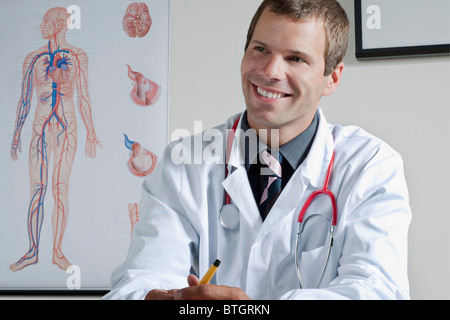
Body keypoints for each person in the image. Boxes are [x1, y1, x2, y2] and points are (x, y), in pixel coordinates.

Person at [104, 0, 411, 300]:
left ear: (331, 77)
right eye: (261, 49)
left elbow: (377, 290)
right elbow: (138, 281)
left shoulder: (370, 166)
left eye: (295, 58)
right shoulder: (184, 163)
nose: (270, 70)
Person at [10, 7, 102, 272]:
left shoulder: (77, 56)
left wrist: (92, 131)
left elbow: (84, 96)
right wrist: (16, 132)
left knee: (60, 188)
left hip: (67, 126)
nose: (42, 25)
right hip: (40, 126)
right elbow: (25, 98)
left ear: (61, 24)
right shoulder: (32, 58)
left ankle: (57, 251)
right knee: (37, 189)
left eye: (48, 21)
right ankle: (32, 251)